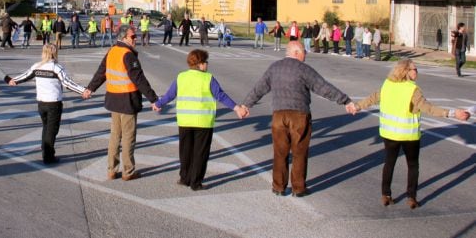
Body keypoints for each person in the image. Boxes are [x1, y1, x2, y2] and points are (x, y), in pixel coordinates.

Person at [241, 41, 356, 197]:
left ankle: (278, 187)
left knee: (280, 152)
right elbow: (323, 87)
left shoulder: (274, 68)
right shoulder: (304, 69)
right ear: (296, 52)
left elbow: (259, 88)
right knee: (299, 152)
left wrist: (246, 105)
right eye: (303, 51)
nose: (305, 54)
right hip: (299, 116)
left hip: (279, 115)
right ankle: (298, 188)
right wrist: (345, 101)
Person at [351, 59, 471, 209]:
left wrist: (357, 106)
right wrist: (453, 113)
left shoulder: (387, 85)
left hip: (389, 133)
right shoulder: (412, 90)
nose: (417, 72)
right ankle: (411, 197)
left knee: (389, 163)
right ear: (405, 72)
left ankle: (386, 194)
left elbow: (372, 98)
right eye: (414, 69)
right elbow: (428, 108)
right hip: (409, 135)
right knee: (413, 165)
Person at [153, 49, 246, 190]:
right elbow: (220, 95)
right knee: (200, 153)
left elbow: (170, 95)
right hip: (203, 121)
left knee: (185, 151)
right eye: (206, 62)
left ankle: (184, 178)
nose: (207, 64)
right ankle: (196, 182)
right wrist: (237, 108)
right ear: (200, 64)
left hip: (185, 120)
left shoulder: (181, 77)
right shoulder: (208, 78)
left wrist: (159, 104)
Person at [83, 25, 159, 181]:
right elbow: (139, 79)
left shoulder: (112, 51)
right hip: (127, 100)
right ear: (124, 38)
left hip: (114, 100)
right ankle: (128, 171)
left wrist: (90, 88)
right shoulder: (127, 54)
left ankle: (111, 170)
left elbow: (101, 72)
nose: (135, 39)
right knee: (128, 137)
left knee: (115, 136)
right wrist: (153, 99)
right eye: (133, 37)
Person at [8, 44, 87, 164]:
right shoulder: (57, 68)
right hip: (54, 103)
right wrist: (83, 91)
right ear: (55, 53)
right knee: (52, 130)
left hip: (41, 103)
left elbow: (25, 76)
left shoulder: (37, 67)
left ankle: (44, 149)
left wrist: (13, 80)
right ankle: (48, 156)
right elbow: (67, 83)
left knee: (46, 127)